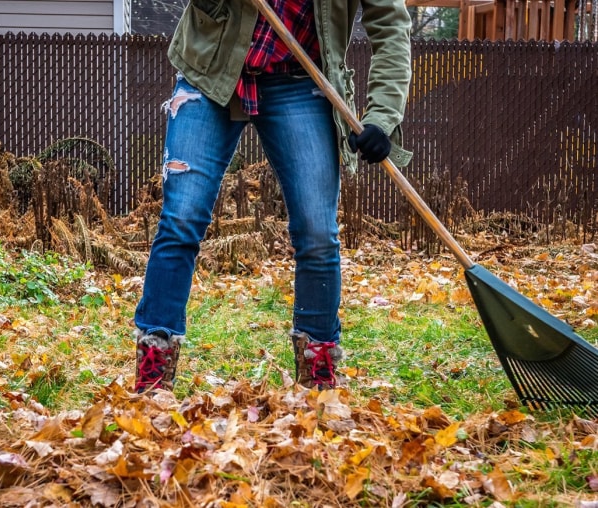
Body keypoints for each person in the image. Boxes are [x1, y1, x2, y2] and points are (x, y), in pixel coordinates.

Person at [133, 0, 412, 393]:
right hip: (212, 70)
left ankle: (318, 371)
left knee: (317, 231)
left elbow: (391, 23)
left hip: (300, 81)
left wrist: (382, 116)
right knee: (181, 218)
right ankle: (154, 367)